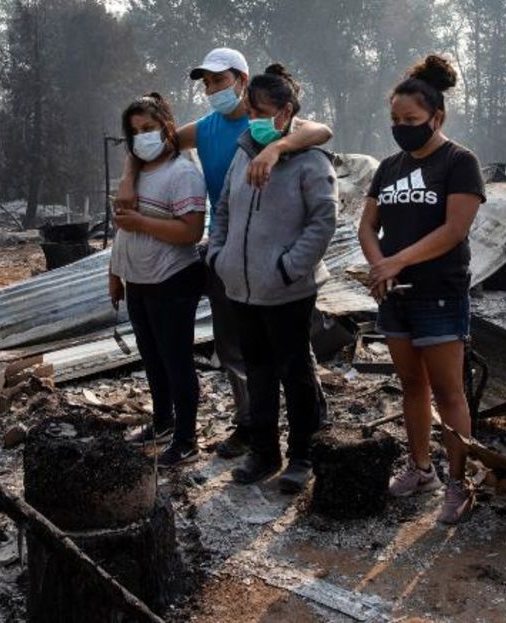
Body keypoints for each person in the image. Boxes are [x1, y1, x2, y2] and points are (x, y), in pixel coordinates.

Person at [116, 48, 333, 460]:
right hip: (230, 249)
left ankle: (312, 424)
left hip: (279, 252)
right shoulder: (208, 128)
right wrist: (129, 177)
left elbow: (321, 132)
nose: (212, 89)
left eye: (220, 80)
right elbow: (149, 143)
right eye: (207, 83)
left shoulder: (273, 124)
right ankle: (250, 424)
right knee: (236, 346)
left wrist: (275, 149)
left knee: (292, 348)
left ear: (243, 81)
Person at [357, 54, 486, 524]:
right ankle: (421, 468)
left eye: (410, 120)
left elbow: (454, 230)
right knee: (412, 385)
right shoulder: (389, 167)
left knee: (450, 392)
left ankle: (458, 482)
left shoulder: (459, 162)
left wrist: (397, 260)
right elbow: (367, 225)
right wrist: (380, 268)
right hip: (396, 296)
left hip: (439, 294)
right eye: (394, 120)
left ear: (437, 117)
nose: (401, 127)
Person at [207, 64, 337, 493]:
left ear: (286, 113)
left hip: (287, 290)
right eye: (250, 112)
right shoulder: (244, 153)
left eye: (261, 112)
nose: (253, 120)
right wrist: (219, 256)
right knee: (258, 371)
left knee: (295, 372)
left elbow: (322, 221)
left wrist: (288, 268)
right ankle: (264, 451)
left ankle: (302, 454)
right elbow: (224, 208)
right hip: (241, 286)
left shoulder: (311, 161)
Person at [110, 93, 207, 467]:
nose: (142, 137)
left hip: (172, 279)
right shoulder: (135, 176)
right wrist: (115, 273)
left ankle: (186, 439)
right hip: (138, 279)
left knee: (176, 360)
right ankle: (163, 422)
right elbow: (123, 232)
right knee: (152, 358)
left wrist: (142, 222)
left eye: (149, 128)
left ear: (168, 127)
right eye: (135, 132)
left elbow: (191, 232)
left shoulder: (182, 173)